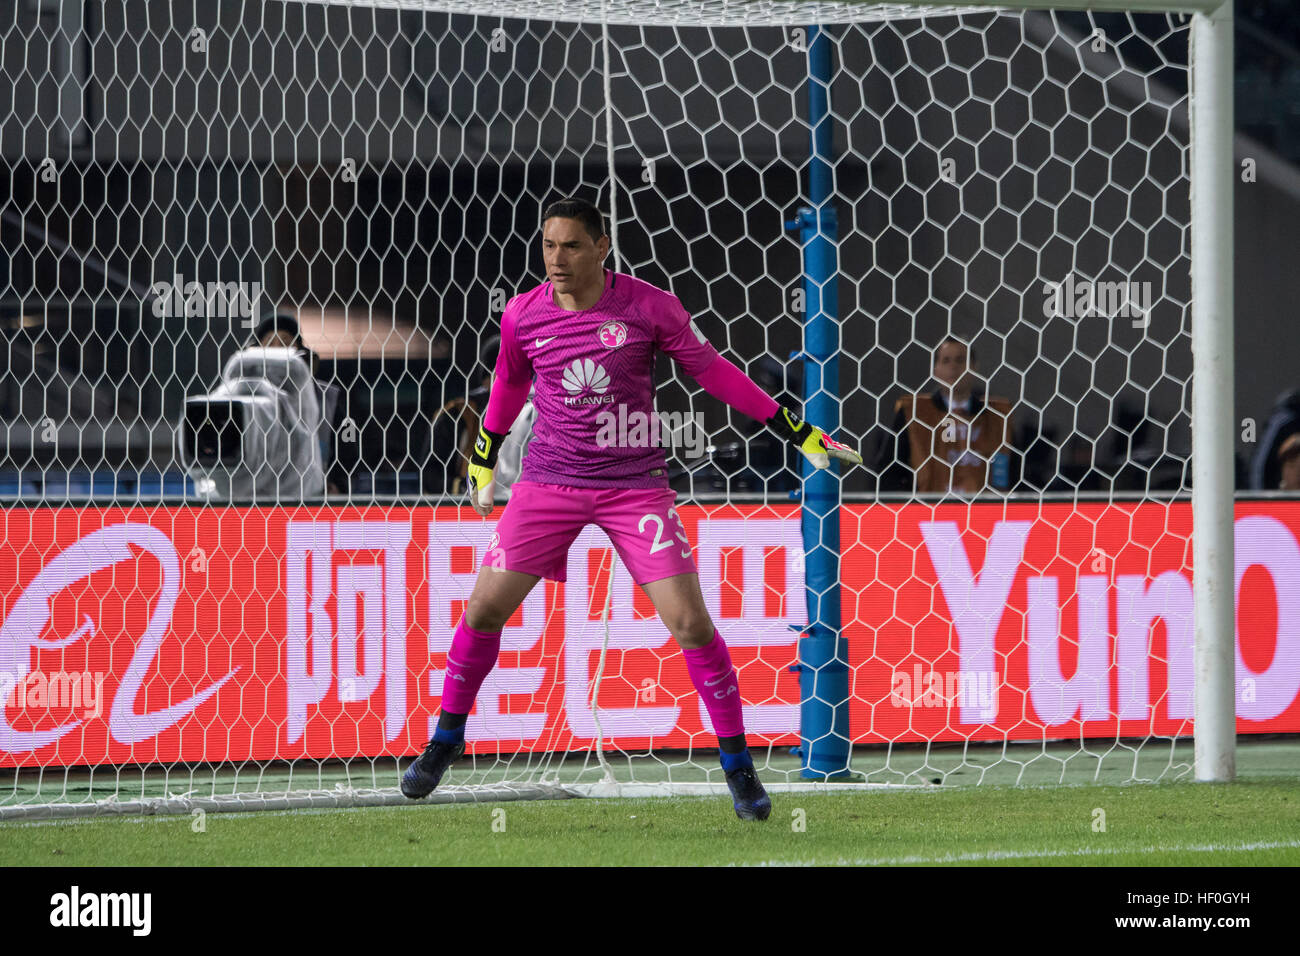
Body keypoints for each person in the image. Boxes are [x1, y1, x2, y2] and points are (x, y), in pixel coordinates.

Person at [400, 197, 861, 820]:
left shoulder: (648, 306)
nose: (556, 260)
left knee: (692, 626)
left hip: (634, 486)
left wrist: (796, 429)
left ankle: (738, 767)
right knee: (482, 609)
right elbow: (510, 383)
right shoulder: (522, 315)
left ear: (601, 247)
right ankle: (445, 740)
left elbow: (713, 371)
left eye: (570, 246)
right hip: (548, 484)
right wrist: (485, 454)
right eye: (548, 246)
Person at [874, 337, 1012, 495]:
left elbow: (1013, 472)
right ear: (935, 370)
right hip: (929, 514)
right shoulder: (914, 414)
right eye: (946, 361)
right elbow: (888, 473)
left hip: (983, 514)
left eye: (960, 360)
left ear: (974, 367)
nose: (953, 367)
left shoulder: (997, 418)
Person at [250, 313, 345, 496]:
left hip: (312, 496)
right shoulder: (243, 395)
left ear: (299, 350)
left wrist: (338, 484)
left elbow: (347, 449)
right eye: (269, 342)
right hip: (257, 497)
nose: (277, 350)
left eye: (285, 342)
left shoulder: (325, 399)